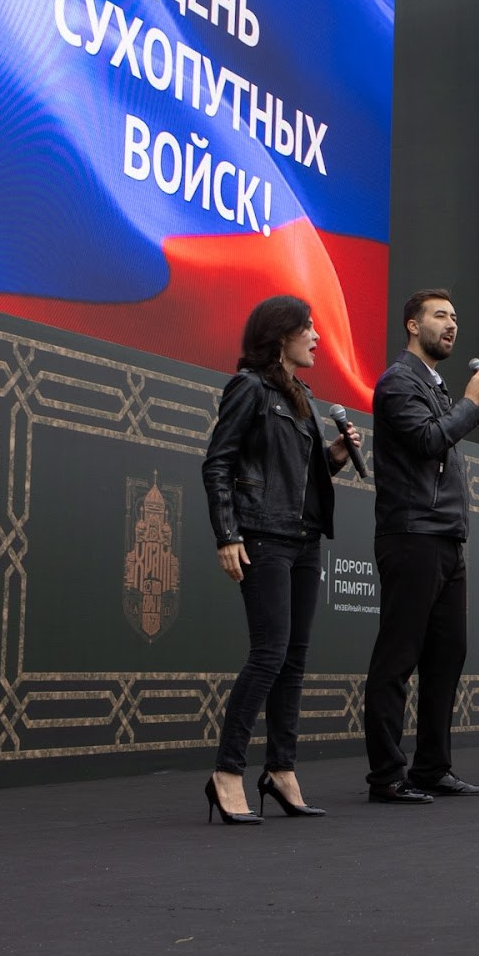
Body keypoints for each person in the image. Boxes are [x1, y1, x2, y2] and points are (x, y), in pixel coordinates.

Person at [200, 295, 357, 825]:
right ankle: (227, 771)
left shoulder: (301, 396)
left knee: (293, 660)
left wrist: (332, 457)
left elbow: (294, 479)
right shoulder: (250, 388)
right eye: (308, 328)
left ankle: (281, 770)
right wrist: (227, 534)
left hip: (304, 537)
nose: (317, 337)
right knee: (269, 654)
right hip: (262, 536)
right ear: (281, 335)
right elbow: (218, 462)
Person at [362, 290, 479, 805]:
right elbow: (427, 441)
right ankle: (386, 776)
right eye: (440, 316)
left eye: (455, 317)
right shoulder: (399, 382)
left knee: (447, 654)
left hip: (444, 535)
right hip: (411, 532)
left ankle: (432, 767)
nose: (451, 324)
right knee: (399, 657)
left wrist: (462, 402)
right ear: (412, 325)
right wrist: (471, 403)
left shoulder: (436, 386)